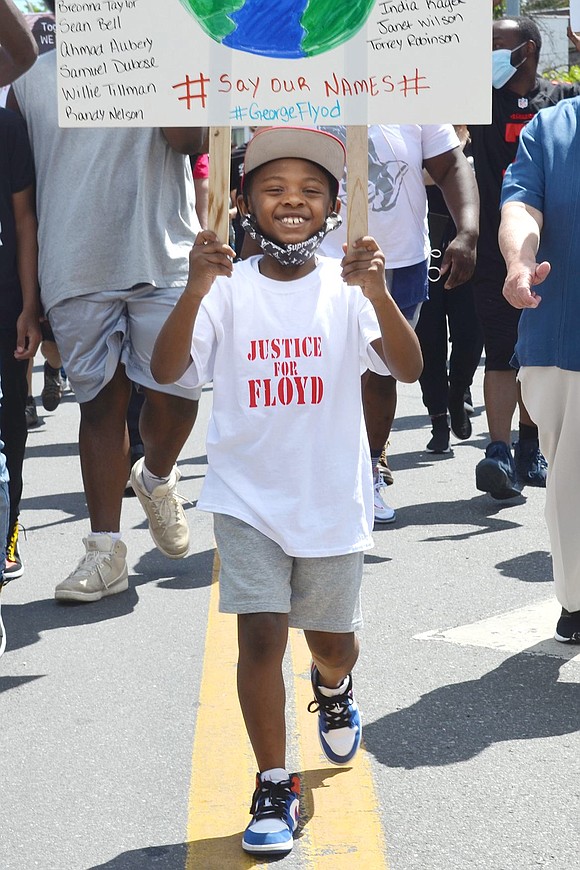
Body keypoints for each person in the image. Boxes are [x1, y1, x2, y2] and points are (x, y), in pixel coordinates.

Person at [151, 126, 422, 855]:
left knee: (332, 642)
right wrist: (195, 287)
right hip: (247, 497)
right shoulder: (227, 285)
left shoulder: (348, 283)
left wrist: (382, 294)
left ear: (335, 207)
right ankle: (274, 781)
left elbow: (406, 368)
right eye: (273, 190)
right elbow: (170, 367)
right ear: (242, 202)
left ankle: (333, 687)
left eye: (309, 192)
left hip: (331, 496)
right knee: (261, 635)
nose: (291, 202)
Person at [9, 11, 208, 603]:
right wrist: (29, 291)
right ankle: (105, 552)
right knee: (99, 406)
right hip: (73, 262)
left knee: (177, 391)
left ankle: (156, 475)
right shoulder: (27, 56)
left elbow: (188, 140)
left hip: (163, 251)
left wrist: (163, 51)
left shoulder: (162, 34)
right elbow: (20, 178)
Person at [321, 125, 478, 521]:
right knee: (325, 371)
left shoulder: (411, 82)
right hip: (321, 258)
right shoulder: (307, 78)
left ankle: (370, 467)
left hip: (401, 263)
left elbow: (449, 165)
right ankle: (324, 477)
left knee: (383, 370)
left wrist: (468, 231)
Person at [469, 16, 580, 500]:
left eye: (498, 43)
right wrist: (516, 258)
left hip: (551, 263)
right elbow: (518, 203)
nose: (489, 50)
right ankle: (498, 448)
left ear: (528, 48)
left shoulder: (555, 100)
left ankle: (530, 445)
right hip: (512, 256)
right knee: (502, 354)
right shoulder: (480, 103)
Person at [499, 96, 580, 644]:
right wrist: (519, 263)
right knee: (570, 482)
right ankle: (577, 598)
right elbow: (520, 206)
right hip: (560, 340)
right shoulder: (552, 129)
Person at [416, 127, 483, 454]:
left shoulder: (479, 139)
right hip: (424, 249)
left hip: (466, 247)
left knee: (471, 332)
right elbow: (426, 176)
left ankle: (459, 393)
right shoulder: (419, 134)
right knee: (428, 338)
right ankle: (438, 418)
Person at [0, 105, 41, 580]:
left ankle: (7, 529)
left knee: (10, 425)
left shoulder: (7, 128)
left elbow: (25, 219)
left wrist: (29, 306)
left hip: (5, 305)